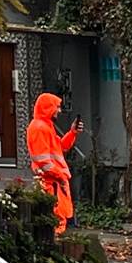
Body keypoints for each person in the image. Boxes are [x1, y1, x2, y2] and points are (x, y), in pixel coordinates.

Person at [25, 92, 82, 236]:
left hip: (54, 181)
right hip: (51, 182)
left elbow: (60, 146)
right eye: (57, 107)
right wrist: (61, 176)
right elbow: (44, 162)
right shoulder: (40, 128)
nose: (59, 110)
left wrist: (72, 133)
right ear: (48, 108)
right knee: (55, 221)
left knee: (58, 219)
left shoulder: (45, 126)